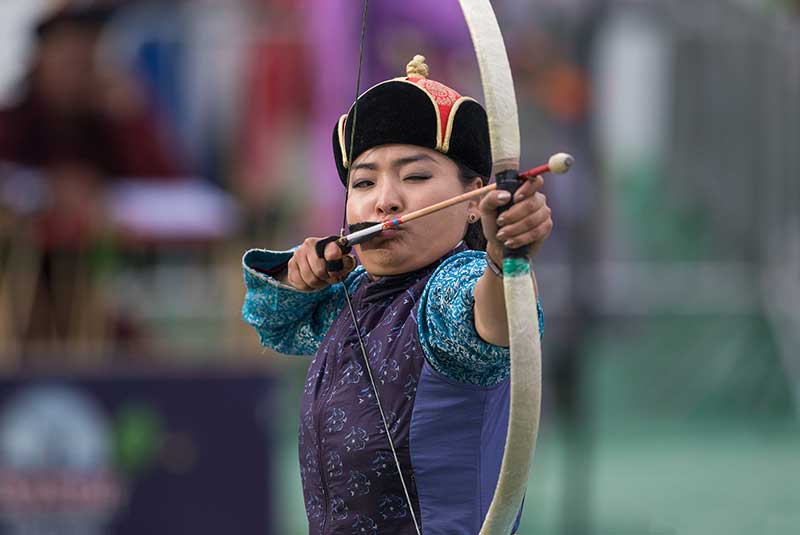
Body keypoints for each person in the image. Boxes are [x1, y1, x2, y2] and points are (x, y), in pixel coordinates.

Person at [242, 56, 552, 535]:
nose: (385, 200)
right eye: (363, 182)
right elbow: (270, 321)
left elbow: (496, 321)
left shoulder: (452, 285)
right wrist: (299, 278)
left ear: (474, 199)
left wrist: (506, 255)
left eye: (415, 177)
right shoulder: (352, 292)